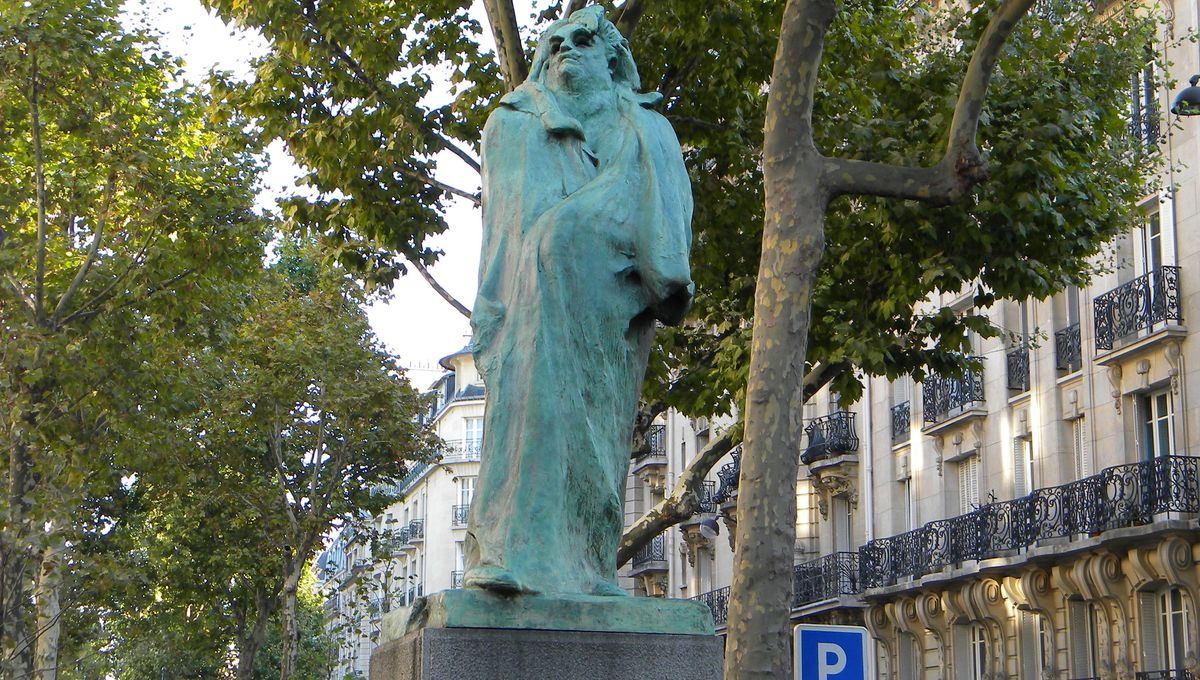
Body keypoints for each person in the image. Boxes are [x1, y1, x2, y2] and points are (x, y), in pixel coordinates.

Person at [464, 6, 693, 597]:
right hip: (530, 302)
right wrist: (497, 310)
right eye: (555, 42)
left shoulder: (646, 128)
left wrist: (663, 274)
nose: (566, 47)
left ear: (611, 59)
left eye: (583, 39)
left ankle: (587, 566)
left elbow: (667, 208)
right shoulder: (515, 123)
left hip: (613, 300)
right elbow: (505, 227)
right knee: (527, 408)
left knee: (599, 425)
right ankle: (510, 552)